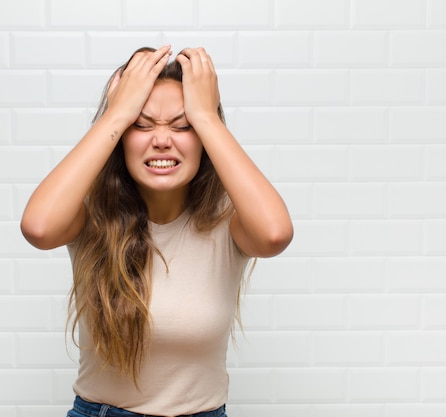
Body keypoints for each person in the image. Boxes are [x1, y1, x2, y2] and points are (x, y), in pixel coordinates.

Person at [21, 45, 293, 417]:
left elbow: (276, 234)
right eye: (142, 124)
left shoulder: (229, 221)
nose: (162, 139)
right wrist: (116, 113)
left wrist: (208, 117)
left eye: (183, 126)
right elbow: (38, 228)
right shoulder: (89, 215)